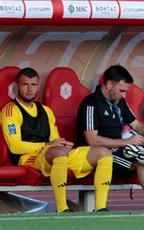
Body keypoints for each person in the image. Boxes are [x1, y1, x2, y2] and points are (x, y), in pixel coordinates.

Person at [0, 67, 112, 213]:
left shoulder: (46, 111)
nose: (29, 89)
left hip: (52, 154)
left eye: (33, 85)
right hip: (28, 158)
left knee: (103, 153)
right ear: (17, 87)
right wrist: (47, 145)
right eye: (25, 85)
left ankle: (101, 208)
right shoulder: (10, 110)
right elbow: (15, 147)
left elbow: (54, 139)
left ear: (38, 87)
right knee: (59, 152)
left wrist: (63, 144)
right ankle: (62, 208)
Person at [76, 65, 144, 211]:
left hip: (121, 149)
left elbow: (137, 124)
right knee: (141, 161)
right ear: (108, 85)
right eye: (122, 91)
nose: (124, 95)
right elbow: (92, 140)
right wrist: (125, 142)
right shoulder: (91, 102)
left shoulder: (119, 102)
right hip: (100, 154)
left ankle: (137, 152)